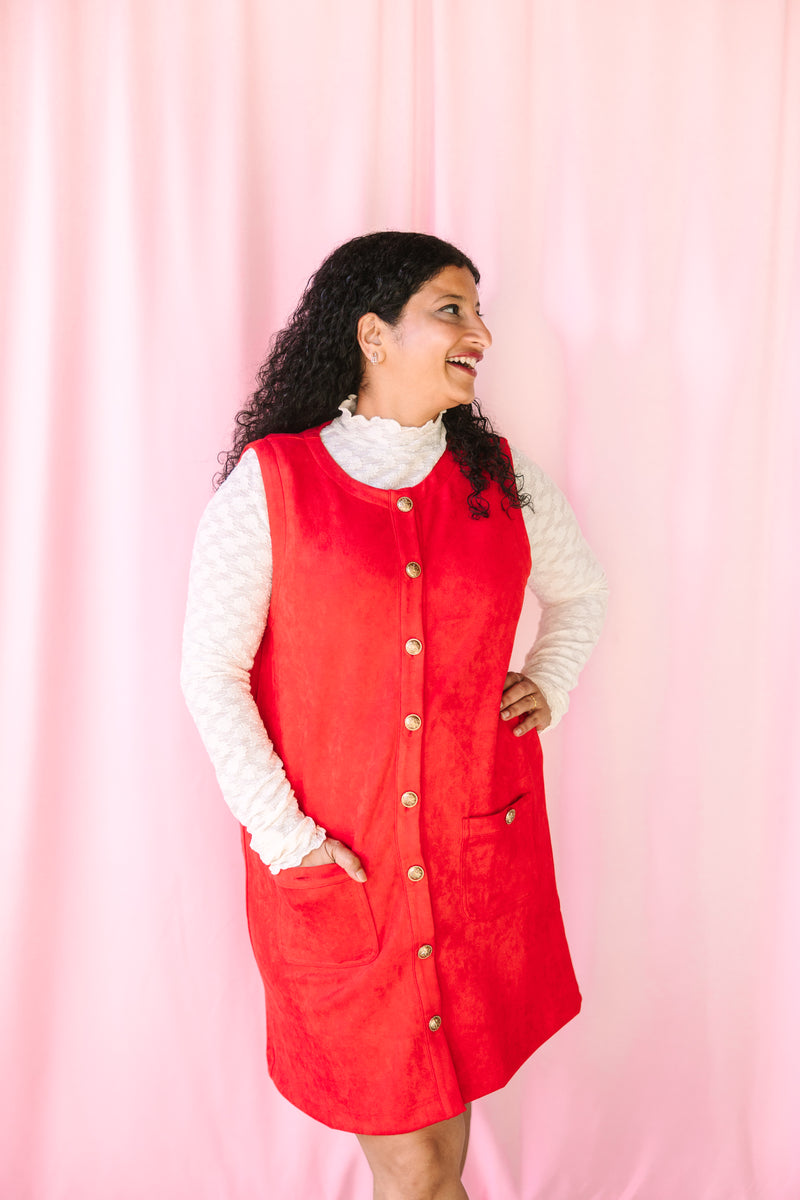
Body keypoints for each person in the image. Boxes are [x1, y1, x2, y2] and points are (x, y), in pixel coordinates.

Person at [181, 231, 608, 1200]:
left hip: (472, 873)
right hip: (344, 875)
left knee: (437, 1158)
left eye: (478, 312)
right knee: (415, 1167)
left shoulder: (498, 479)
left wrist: (550, 676)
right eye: (451, 310)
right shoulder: (273, 485)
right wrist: (288, 841)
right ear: (372, 336)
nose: (480, 333)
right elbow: (210, 674)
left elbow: (581, 592)